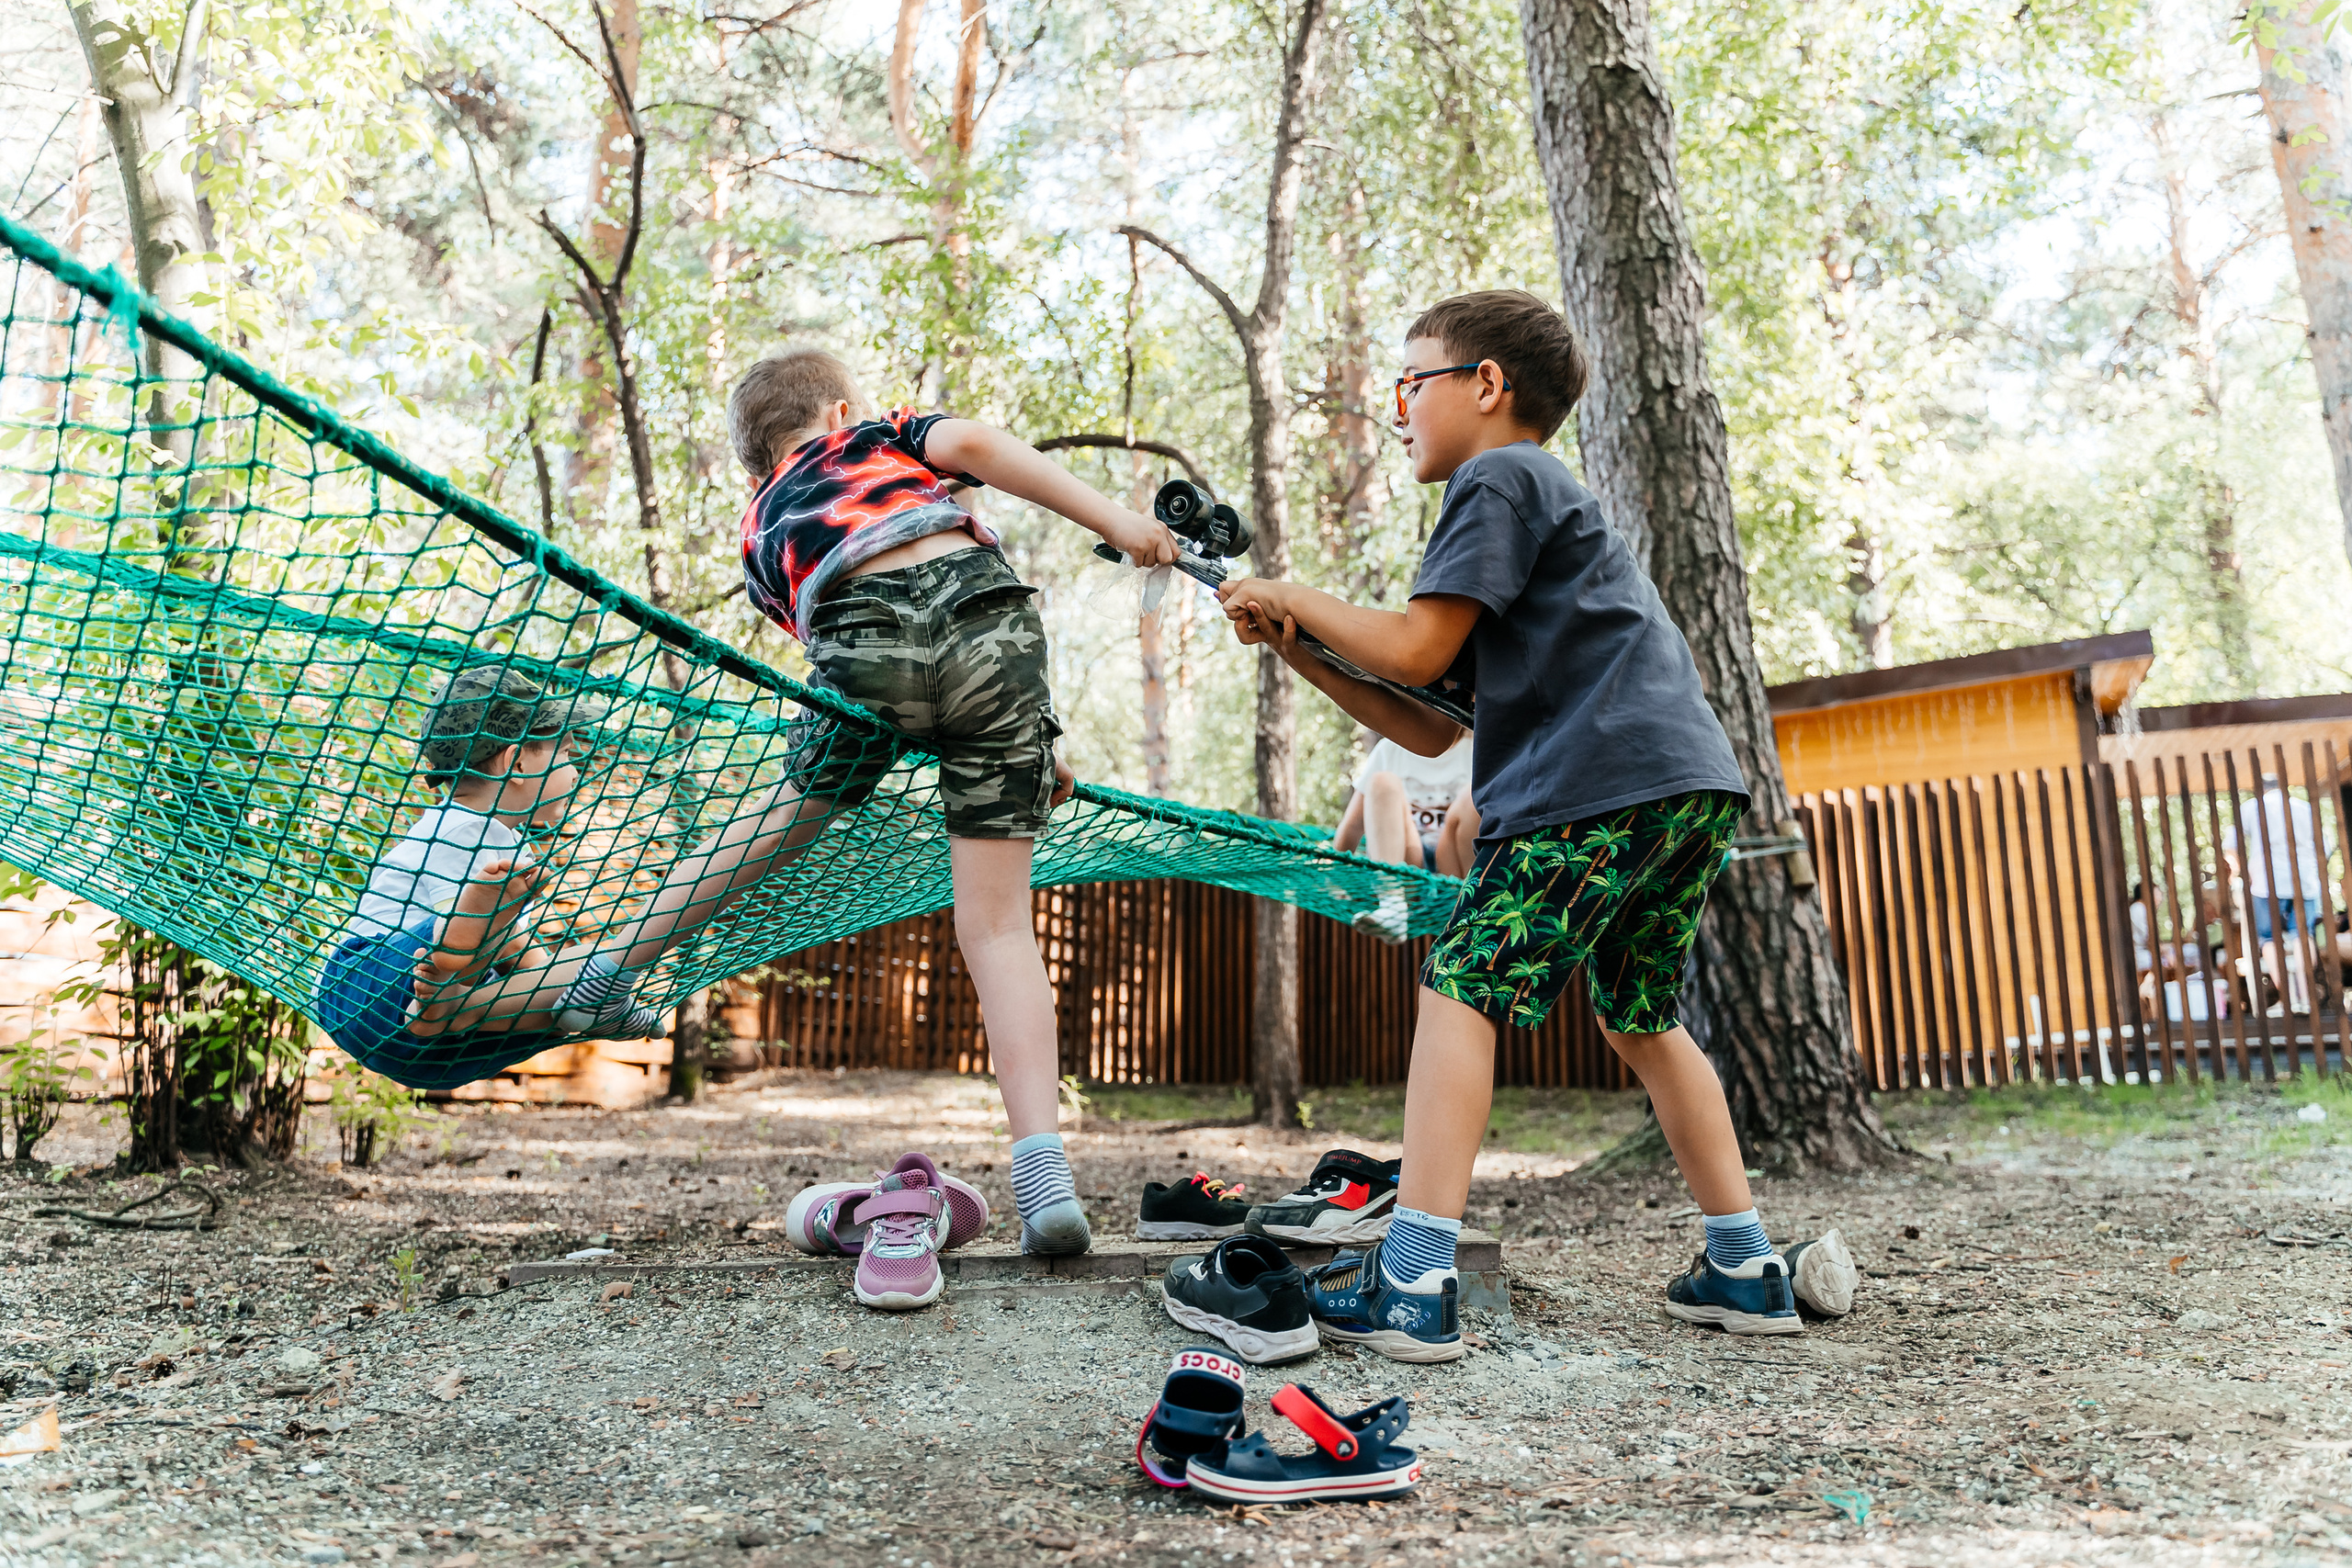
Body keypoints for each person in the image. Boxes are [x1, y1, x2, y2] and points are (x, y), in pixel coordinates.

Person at [1215, 289, 1857, 1358]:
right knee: (1641, 1016)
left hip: (1593, 783)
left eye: (1410, 380)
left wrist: (1295, 590)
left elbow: (1414, 648)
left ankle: (1411, 1281)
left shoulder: (1499, 477)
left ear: (1485, 386)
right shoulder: (1535, 511)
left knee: (1462, 986)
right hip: (1680, 785)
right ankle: (1743, 1266)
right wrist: (1294, 641)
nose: (1398, 405)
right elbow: (1423, 720)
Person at [575, 345, 1178, 1258]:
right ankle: (1044, 1179)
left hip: (862, 636)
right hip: (995, 634)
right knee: (1000, 929)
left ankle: (612, 967)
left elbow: (826, 630)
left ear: (757, 460)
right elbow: (975, 446)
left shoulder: (758, 525)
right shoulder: (879, 435)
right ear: (840, 407)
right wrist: (1119, 523)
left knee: (778, 819)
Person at [313, 667, 673, 1092]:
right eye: (566, 754)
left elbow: (512, 953)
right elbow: (503, 944)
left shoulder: (505, 841)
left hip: (430, 1042)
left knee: (564, 998)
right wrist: (556, 973)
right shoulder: (459, 828)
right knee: (494, 936)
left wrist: (568, 981)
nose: (575, 769)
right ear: (516, 762)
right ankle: (585, 992)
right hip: (372, 988)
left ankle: (594, 1003)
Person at [1332, 734, 1474, 941]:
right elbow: (1353, 826)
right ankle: (1392, 906)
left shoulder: (1475, 748)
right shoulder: (1391, 749)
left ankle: (1479, 902)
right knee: (1382, 781)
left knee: (1474, 796)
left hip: (1456, 870)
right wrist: (1336, 876)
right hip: (1406, 869)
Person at [2222, 774, 2332, 1013]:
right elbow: (2326, 845)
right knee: (2303, 934)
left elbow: (2231, 847)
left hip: (2266, 883)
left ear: (2259, 790)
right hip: (2305, 883)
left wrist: (2241, 875)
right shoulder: (2302, 808)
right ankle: (2305, 996)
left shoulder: (2252, 807)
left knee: (2269, 938)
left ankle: (2288, 998)